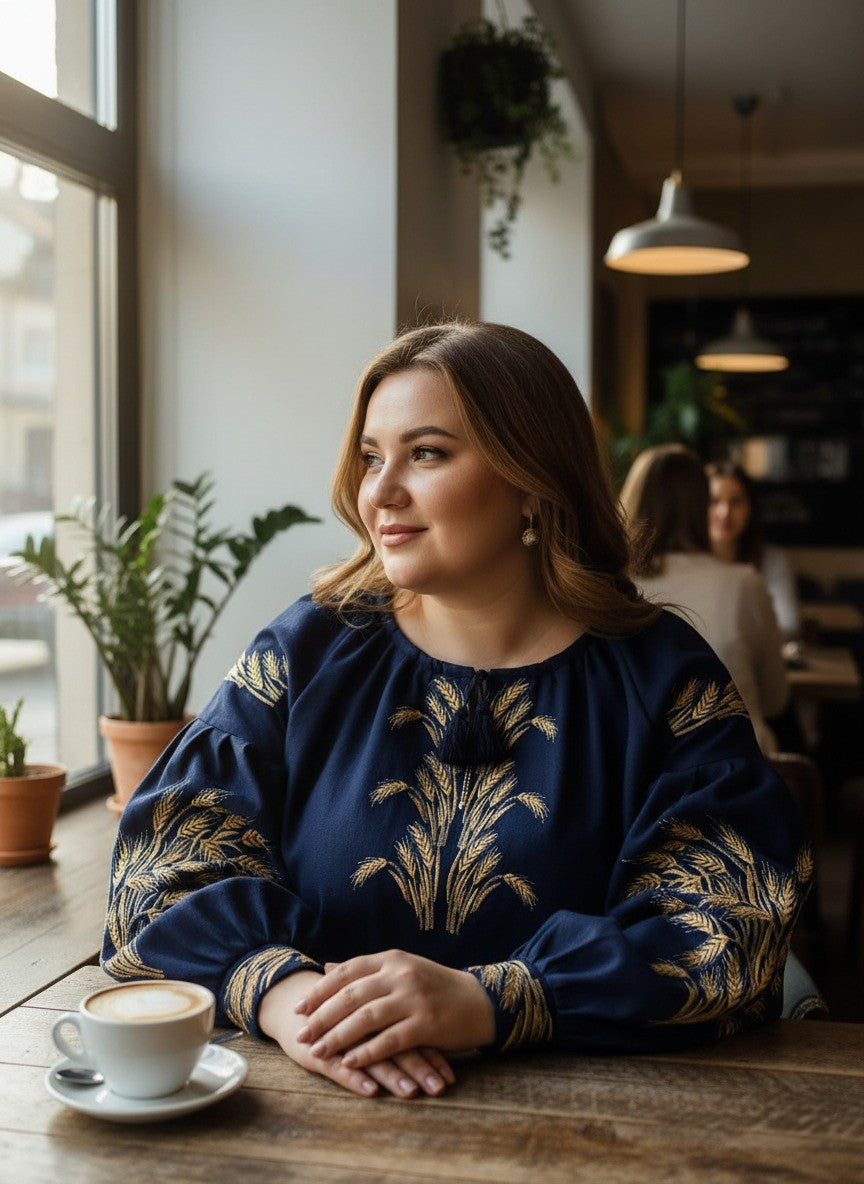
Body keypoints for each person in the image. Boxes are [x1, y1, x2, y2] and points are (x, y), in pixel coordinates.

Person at [102, 324, 811, 1102]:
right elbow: (159, 874)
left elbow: (731, 928)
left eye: (427, 453)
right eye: (372, 457)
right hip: (304, 1118)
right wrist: (291, 1001)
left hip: (592, 1131)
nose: (380, 491)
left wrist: (490, 1002)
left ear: (533, 478)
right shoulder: (305, 651)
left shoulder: (663, 679)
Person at [619, 444, 790, 756]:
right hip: (734, 773)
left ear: (633, 500)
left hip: (635, 781)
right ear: (701, 506)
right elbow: (776, 699)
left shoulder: (610, 586)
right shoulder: (743, 584)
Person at [706, 460, 802, 642]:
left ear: (750, 508)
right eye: (714, 501)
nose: (725, 512)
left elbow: (790, 625)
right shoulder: (684, 561)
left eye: (735, 502)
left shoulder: (773, 560)